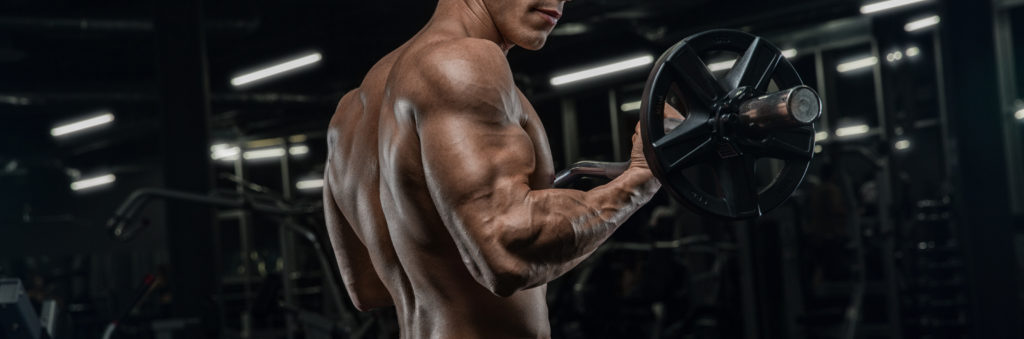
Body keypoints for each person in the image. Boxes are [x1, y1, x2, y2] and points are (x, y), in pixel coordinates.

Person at [322, 0, 670, 337]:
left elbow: (367, 288)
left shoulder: (350, 111)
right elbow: (507, 254)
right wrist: (640, 178)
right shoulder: (461, 61)